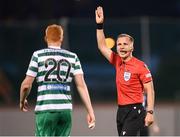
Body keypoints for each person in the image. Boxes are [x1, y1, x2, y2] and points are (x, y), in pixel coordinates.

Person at [20, 24, 95, 136]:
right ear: (61, 38)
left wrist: (22, 100)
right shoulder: (72, 57)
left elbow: (26, 85)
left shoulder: (38, 55)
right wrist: (90, 111)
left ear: (45, 38)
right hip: (65, 110)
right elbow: (81, 85)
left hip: (46, 109)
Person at [95, 6, 155, 136]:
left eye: (125, 44)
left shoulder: (140, 66)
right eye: (119, 44)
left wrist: (150, 112)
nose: (121, 47)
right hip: (121, 111)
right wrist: (100, 25)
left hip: (135, 110)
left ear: (132, 47)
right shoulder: (117, 61)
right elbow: (102, 46)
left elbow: (150, 89)